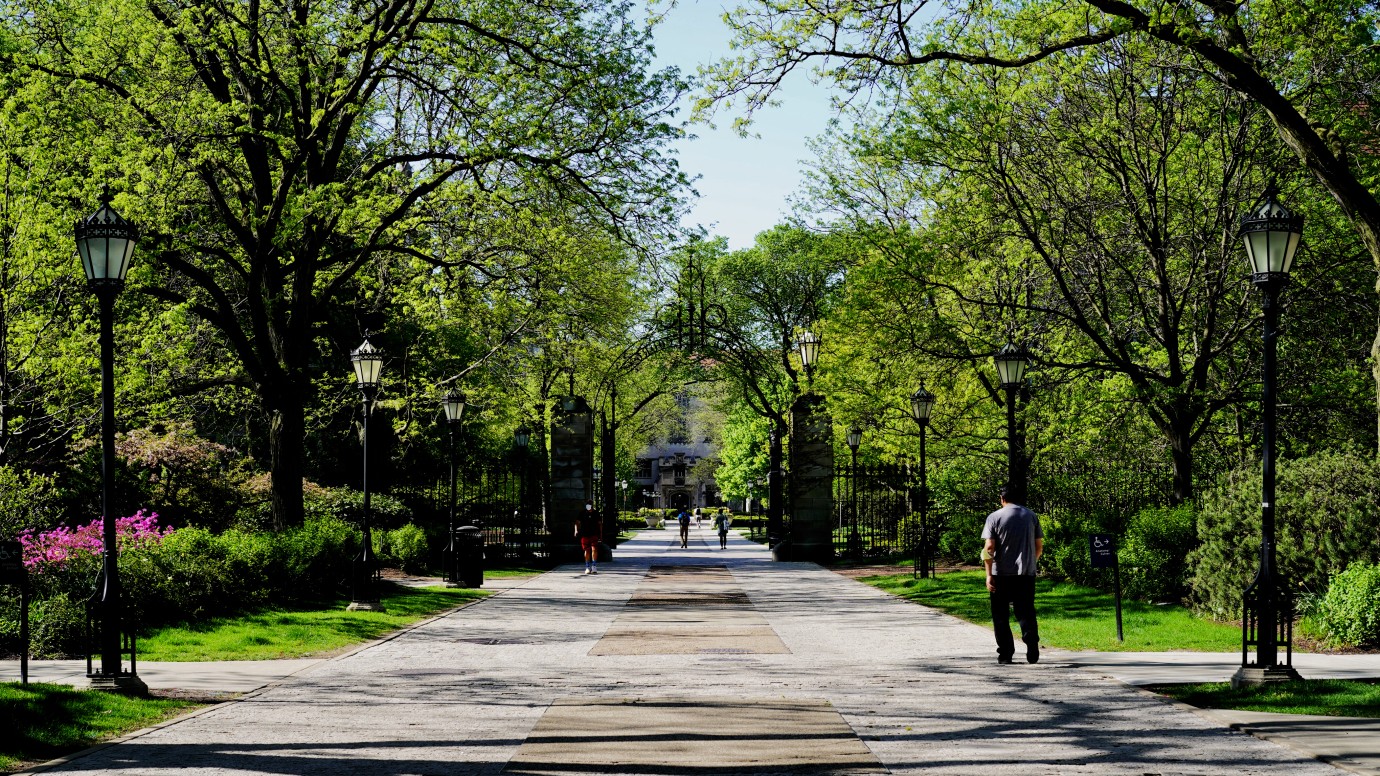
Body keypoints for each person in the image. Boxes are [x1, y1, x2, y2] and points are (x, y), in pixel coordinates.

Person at [981, 486, 1043, 664]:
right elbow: (1038, 547)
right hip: (1026, 573)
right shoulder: (1031, 516)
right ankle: (1032, 644)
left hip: (1001, 573)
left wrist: (988, 574)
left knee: (1000, 614)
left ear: (1002, 499)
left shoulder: (994, 517)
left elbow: (989, 548)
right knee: (1026, 611)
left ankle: (1006, 653)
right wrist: (1031, 562)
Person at [575, 501, 601, 575]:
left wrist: (601, 534)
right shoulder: (582, 513)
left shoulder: (596, 513)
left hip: (594, 534)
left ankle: (594, 566)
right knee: (587, 550)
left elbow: (600, 524)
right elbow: (577, 522)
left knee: (594, 549)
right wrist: (576, 530)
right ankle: (587, 567)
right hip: (584, 534)